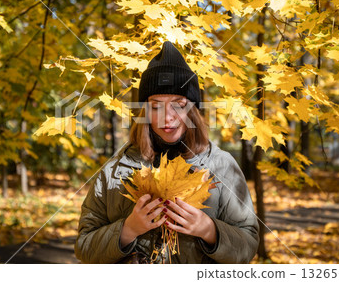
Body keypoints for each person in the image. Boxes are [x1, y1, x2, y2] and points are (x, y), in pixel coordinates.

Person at [75, 41, 259, 264]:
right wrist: (127, 230)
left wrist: (210, 231)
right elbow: (84, 248)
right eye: (155, 106)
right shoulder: (114, 171)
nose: (167, 117)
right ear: (144, 110)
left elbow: (248, 244)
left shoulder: (221, 166)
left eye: (178, 104)